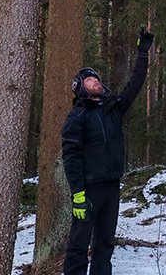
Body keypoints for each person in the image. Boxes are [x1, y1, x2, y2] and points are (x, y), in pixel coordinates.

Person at [61, 27, 154, 275]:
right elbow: (70, 156)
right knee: (78, 245)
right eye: (91, 80)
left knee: (105, 245)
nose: (97, 82)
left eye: (98, 79)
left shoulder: (113, 109)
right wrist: (78, 193)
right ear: (80, 87)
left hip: (112, 186)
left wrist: (142, 53)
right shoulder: (77, 117)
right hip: (88, 189)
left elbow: (134, 85)